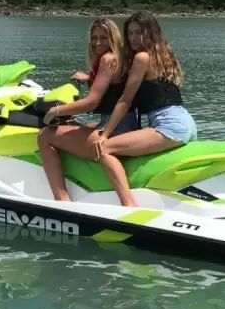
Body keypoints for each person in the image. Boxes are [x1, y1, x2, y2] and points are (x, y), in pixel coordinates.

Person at [88, 11, 197, 207]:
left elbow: (125, 100)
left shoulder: (141, 57)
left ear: (151, 33)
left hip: (168, 125)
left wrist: (106, 134)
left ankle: (128, 205)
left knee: (103, 149)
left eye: (139, 33)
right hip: (186, 122)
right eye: (129, 33)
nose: (133, 38)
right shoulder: (165, 53)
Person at [37, 18, 139, 201]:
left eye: (103, 38)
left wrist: (56, 110)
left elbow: (91, 102)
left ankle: (62, 200)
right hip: (129, 123)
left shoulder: (107, 60)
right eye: (94, 38)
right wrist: (87, 77)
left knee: (45, 136)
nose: (97, 43)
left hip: (114, 127)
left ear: (113, 39)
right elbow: (112, 84)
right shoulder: (121, 58)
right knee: (79, 124)